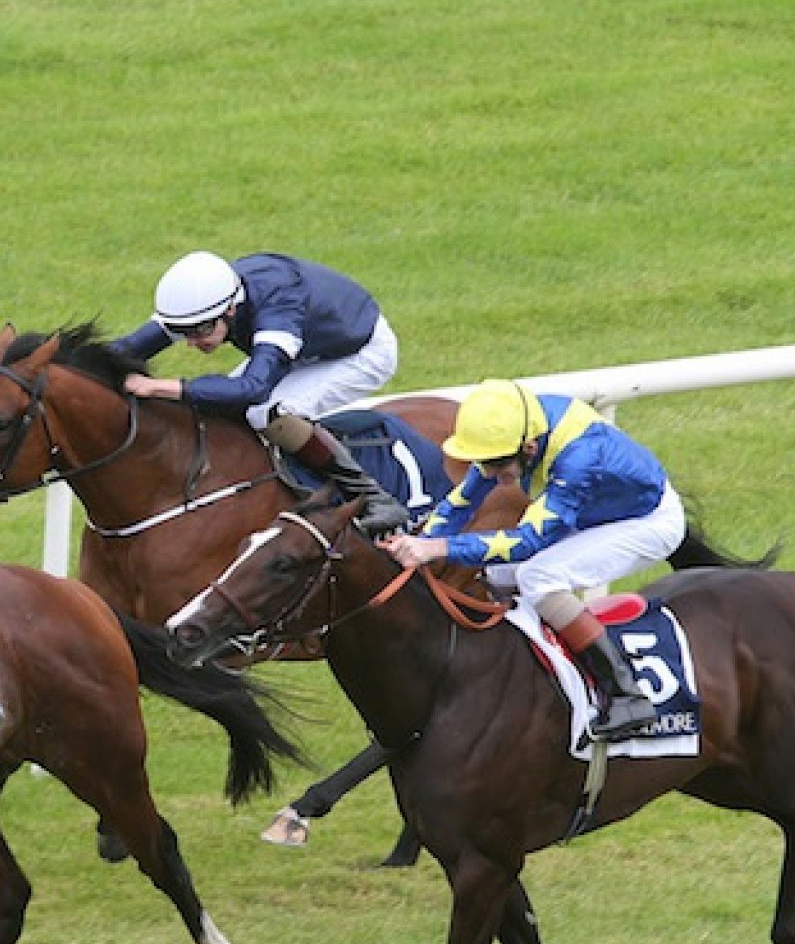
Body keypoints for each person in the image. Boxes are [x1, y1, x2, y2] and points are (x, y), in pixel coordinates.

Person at [381, 379, 686, 741]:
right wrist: (421, 541)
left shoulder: (579, 458)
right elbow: (462, 502)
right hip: (596, 511)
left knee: (539, 578)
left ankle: (627, 695)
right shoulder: (514, 431)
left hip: (645, 522)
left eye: (496, 465)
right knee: (496, 572)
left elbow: (528, 542)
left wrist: (440, 549)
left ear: (528, 447)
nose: (489, 472)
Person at [111, 250, 409, 533]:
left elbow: (253, 389)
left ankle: (373, 498)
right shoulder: (204, 306)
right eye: (184, 332)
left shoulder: (278, 305)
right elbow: (124, 350)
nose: (192, 342)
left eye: (200, 331)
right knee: (218, 404)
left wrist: (163, 387)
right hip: (305, 344)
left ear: (229, 309)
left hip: (358, 352)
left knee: (264, 412)